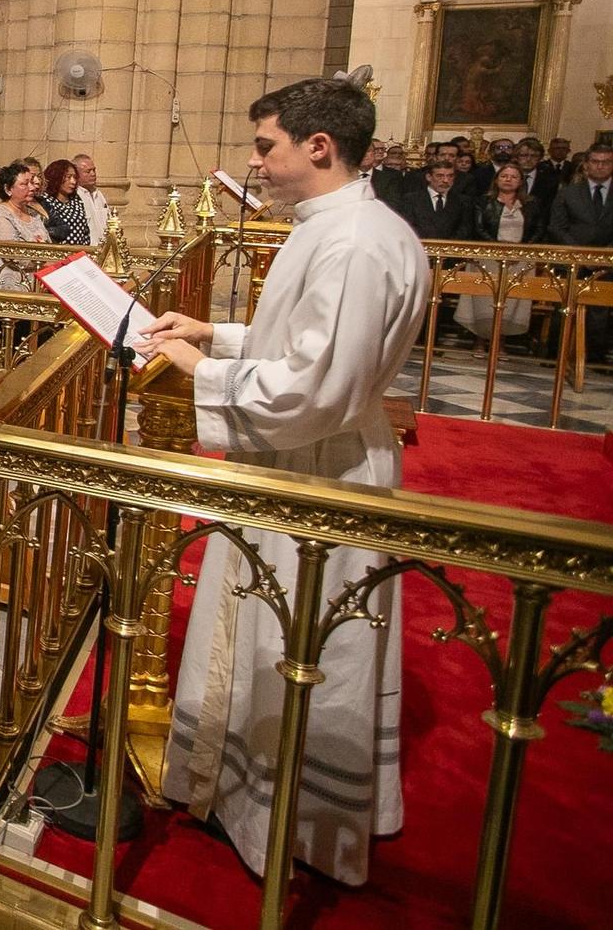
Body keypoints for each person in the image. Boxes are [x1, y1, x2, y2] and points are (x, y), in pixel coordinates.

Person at [136, 77, 429, 888]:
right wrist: (217, 333)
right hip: (308, 456)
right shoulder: (339, 226)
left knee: (302, 643)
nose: (256, 162)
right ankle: (246, 788)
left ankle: (291, 814)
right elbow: (303, 340)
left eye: (266, 145)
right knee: (275, 633)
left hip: (319, 466)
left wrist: (199, 371)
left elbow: (317, 387)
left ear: (319, 147)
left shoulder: (357, 242)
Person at [452, 163, 541, 343]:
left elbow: (538, 228)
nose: (508, 180)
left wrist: (522, 250)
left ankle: (501, 343)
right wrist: (497, 249)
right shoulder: (483, 201)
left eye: (513, 176)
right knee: (483, 300)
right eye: (504, 176)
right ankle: (479, 341)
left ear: (521, 181)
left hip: (519, 260)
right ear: (496, 180)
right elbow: (478, 227)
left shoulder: (530, 203)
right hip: (488, 257)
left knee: (511, 301)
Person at [546, 143, 613, 361]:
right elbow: (556, 227)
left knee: (599, 312)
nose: (600, 166)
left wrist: (606, 254)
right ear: (586, 165)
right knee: (564, 309)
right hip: (572, 260)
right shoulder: (569, 192)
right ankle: (556, 355)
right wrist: (581, 254)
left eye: (606, 162)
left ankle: (592, 358)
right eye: (595, 161)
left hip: (608, 262)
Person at [0, 162, 51, 290]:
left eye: (31, 182)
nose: (32, 188)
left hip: (38, 281)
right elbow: (14, 254)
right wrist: (47, 262)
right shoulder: (0, 216)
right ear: (8, 189)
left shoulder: (33, 213)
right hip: (11, 284)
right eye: (24, 184)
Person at [396, 158, 473, 241]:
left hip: (452, 250)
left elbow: (465, 229)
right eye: (440, 176)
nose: (445, 180)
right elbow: (407, 227)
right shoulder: (411, 199)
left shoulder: (463, 201)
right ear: (429, 177)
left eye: (450, 176)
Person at [37, 158, 92, 245]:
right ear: (56, 177)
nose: (73, 181)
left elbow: (85, 230)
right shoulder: (45, 200)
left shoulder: (76, 200)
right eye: (68, 177)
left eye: (75, 177)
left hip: (80, 252)